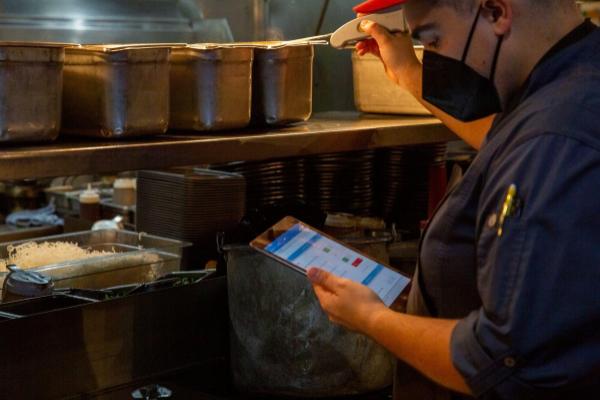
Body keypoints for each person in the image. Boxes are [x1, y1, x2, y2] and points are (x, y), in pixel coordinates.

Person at [307, 0, 600, 398]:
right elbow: (509, 140)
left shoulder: (554, 137)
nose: (434, 60)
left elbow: (500, 361)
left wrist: (370, 318)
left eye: (433, 40)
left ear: (496, 12)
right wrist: (409, 74)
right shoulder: (577, 78)